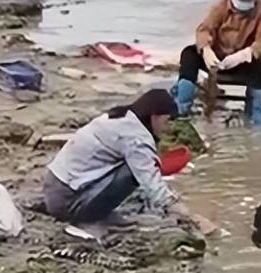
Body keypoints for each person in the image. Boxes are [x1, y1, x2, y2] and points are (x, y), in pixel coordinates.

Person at [42, 89, 179, 225]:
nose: (168, 128)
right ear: (154, 116)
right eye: (167, 121)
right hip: (67, 202)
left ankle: (99, 213)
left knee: (134, 164)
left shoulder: (120, 117)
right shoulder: (136, 139)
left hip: (55, 188)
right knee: (132, 173)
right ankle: (91, 218)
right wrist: (176, 207)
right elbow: (150, 181)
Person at [173, 0, 261, 123]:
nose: (242, 2)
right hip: (216, 59)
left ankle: (258, 116)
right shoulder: (221, 6)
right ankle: (182, 107)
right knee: (189, 53)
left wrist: (246, 54)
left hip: (242, 62)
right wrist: (206, 49)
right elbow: (204, 29)